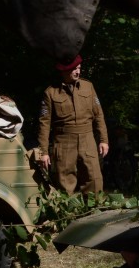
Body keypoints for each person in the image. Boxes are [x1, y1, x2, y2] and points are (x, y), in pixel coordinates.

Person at [36, 55, 109, 194]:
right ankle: (68, 214)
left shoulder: (88, 87)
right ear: (64, 70)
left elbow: (99, 115)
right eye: (74, 69)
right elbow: (44, 124)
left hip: (87, 139)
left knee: (94, 179)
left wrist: (104, 140)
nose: (78, 72)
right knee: (64, 184)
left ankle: (94, 211)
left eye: (79, 68)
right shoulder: (51, 92)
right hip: (64, 142)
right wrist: (43, 152)